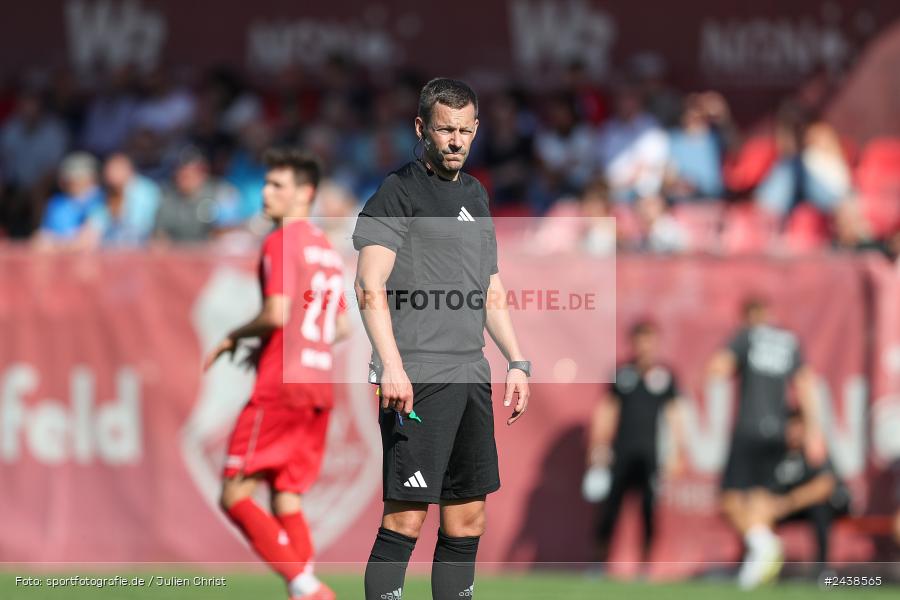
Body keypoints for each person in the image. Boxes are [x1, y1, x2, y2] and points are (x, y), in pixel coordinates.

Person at [352, 78, 531, 600]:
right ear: (421, 129)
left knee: (468, 519)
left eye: (465, 130)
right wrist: (391, 365)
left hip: (470, 373)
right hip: (417, 376)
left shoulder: (475, 194)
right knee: (406, 519)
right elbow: (368, 284)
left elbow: (489, 287)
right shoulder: (398, 192)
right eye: (445, 129)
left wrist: (517, 360)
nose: (456, 140)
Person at [204, 148, 349, 600]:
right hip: (318, 386)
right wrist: (291, 343)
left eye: (277, 185)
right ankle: (305, 589)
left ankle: (307, 588)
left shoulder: (282, 240)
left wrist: (234, 336)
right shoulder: (326, 249)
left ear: (306, 193)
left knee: (234, 494)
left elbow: (277, 312)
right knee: (287, 497)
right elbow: (342, 325)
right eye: (266, 184)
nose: (266, 193)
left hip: (280, 389)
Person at [708, 296, 824, 589]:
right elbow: (806, 383)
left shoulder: (747, 336)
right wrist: (813, 432)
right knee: (761, 501)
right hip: (778, 431)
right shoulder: (789, 341)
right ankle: (757, 565)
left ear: (748, 315)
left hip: (749, 428)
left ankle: (763, 544)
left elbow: (719, 367)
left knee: (729, 499)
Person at [587, 319, 686, 567]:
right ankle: (599, 562)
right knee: (610, 509)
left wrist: (677, 452)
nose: (644, 347)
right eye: (640, 341)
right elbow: (607, 410)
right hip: (622, 452)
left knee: (649, 510)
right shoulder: (622, 374)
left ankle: (645, 564)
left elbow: (675, 415)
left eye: (649, 341)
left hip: (650, 454)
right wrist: (598, 446)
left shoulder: (665, 376)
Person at [771, 408, 849, 570]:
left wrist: (789, 502)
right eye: (789, 427)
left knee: (820, 508)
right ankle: (762, 561)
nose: (793, 433)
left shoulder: (814, 452)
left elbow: (825, 485)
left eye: (797, 427)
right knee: (762, 511)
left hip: (825, 506)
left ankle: (822, 568)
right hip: (790, 507)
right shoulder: (778, 454)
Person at [153, 146, 242, 243]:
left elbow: (229, 230)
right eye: (181, 173)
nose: (184, 177)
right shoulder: (167, 197)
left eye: (191, 172)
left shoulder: (221, 192)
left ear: (203, 172)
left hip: (212, 249)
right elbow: (159, 236)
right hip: (177, 250)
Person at [33, 152, 106, 250]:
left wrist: (57, 244)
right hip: (58, 256)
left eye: (79, 177)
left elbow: (89, 241)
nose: (74, 182)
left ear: (92, 179)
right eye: (69, 178)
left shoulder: (101, 200)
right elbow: (42, 238)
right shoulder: (57, 203)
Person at [97, 153, 161, 247]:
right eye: (108, 170)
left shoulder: (144, 191)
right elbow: (95, 225)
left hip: (141, 249)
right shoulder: (108, 192)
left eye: (115, 169)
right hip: (116, 248)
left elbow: (139, 229)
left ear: (129, 170)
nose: (109, 173)